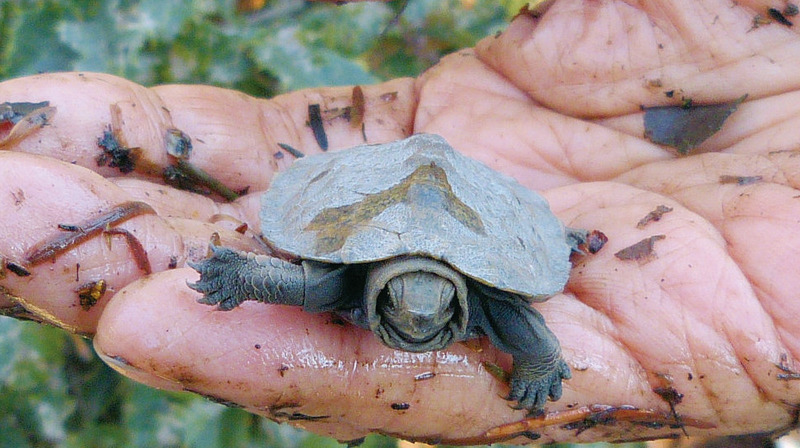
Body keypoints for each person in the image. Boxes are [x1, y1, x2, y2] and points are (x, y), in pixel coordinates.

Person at [2, 0, 800, 444]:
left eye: (431, 313)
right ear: (376, 294)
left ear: (459, 299)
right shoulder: (345, 280)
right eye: (406, 311)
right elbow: (302, 281)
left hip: (474, 223)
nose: (416, 324)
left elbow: (529, 335)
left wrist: (538, 369)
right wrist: (237, 274)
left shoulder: (488, 299)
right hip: (369, 201)